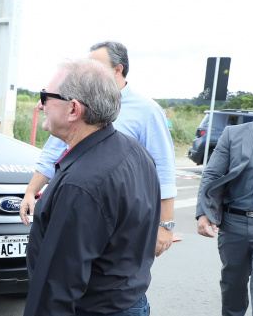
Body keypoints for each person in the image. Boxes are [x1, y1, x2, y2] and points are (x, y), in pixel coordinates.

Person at [11, 59, 159, 316]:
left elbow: (57, 286)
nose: (40, 104)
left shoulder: (83, 183)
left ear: (74, 108)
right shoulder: (128, 150)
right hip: (126, 307)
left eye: (45, 97)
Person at [19, 41, 176, 257]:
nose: (87, 70)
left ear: (117, 69)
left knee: (114, 276)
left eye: (95, 65)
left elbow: (164, 168)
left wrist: (165, 225)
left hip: (121, 216)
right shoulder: (80, 104)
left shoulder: (147, 111)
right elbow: (53, 151)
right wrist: (30, 191)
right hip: (78, 211)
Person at [196, 98, 253, 316]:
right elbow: (212, 174)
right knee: (233, 282)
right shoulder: (235, 135)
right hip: (234, 222)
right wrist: (203, 214)